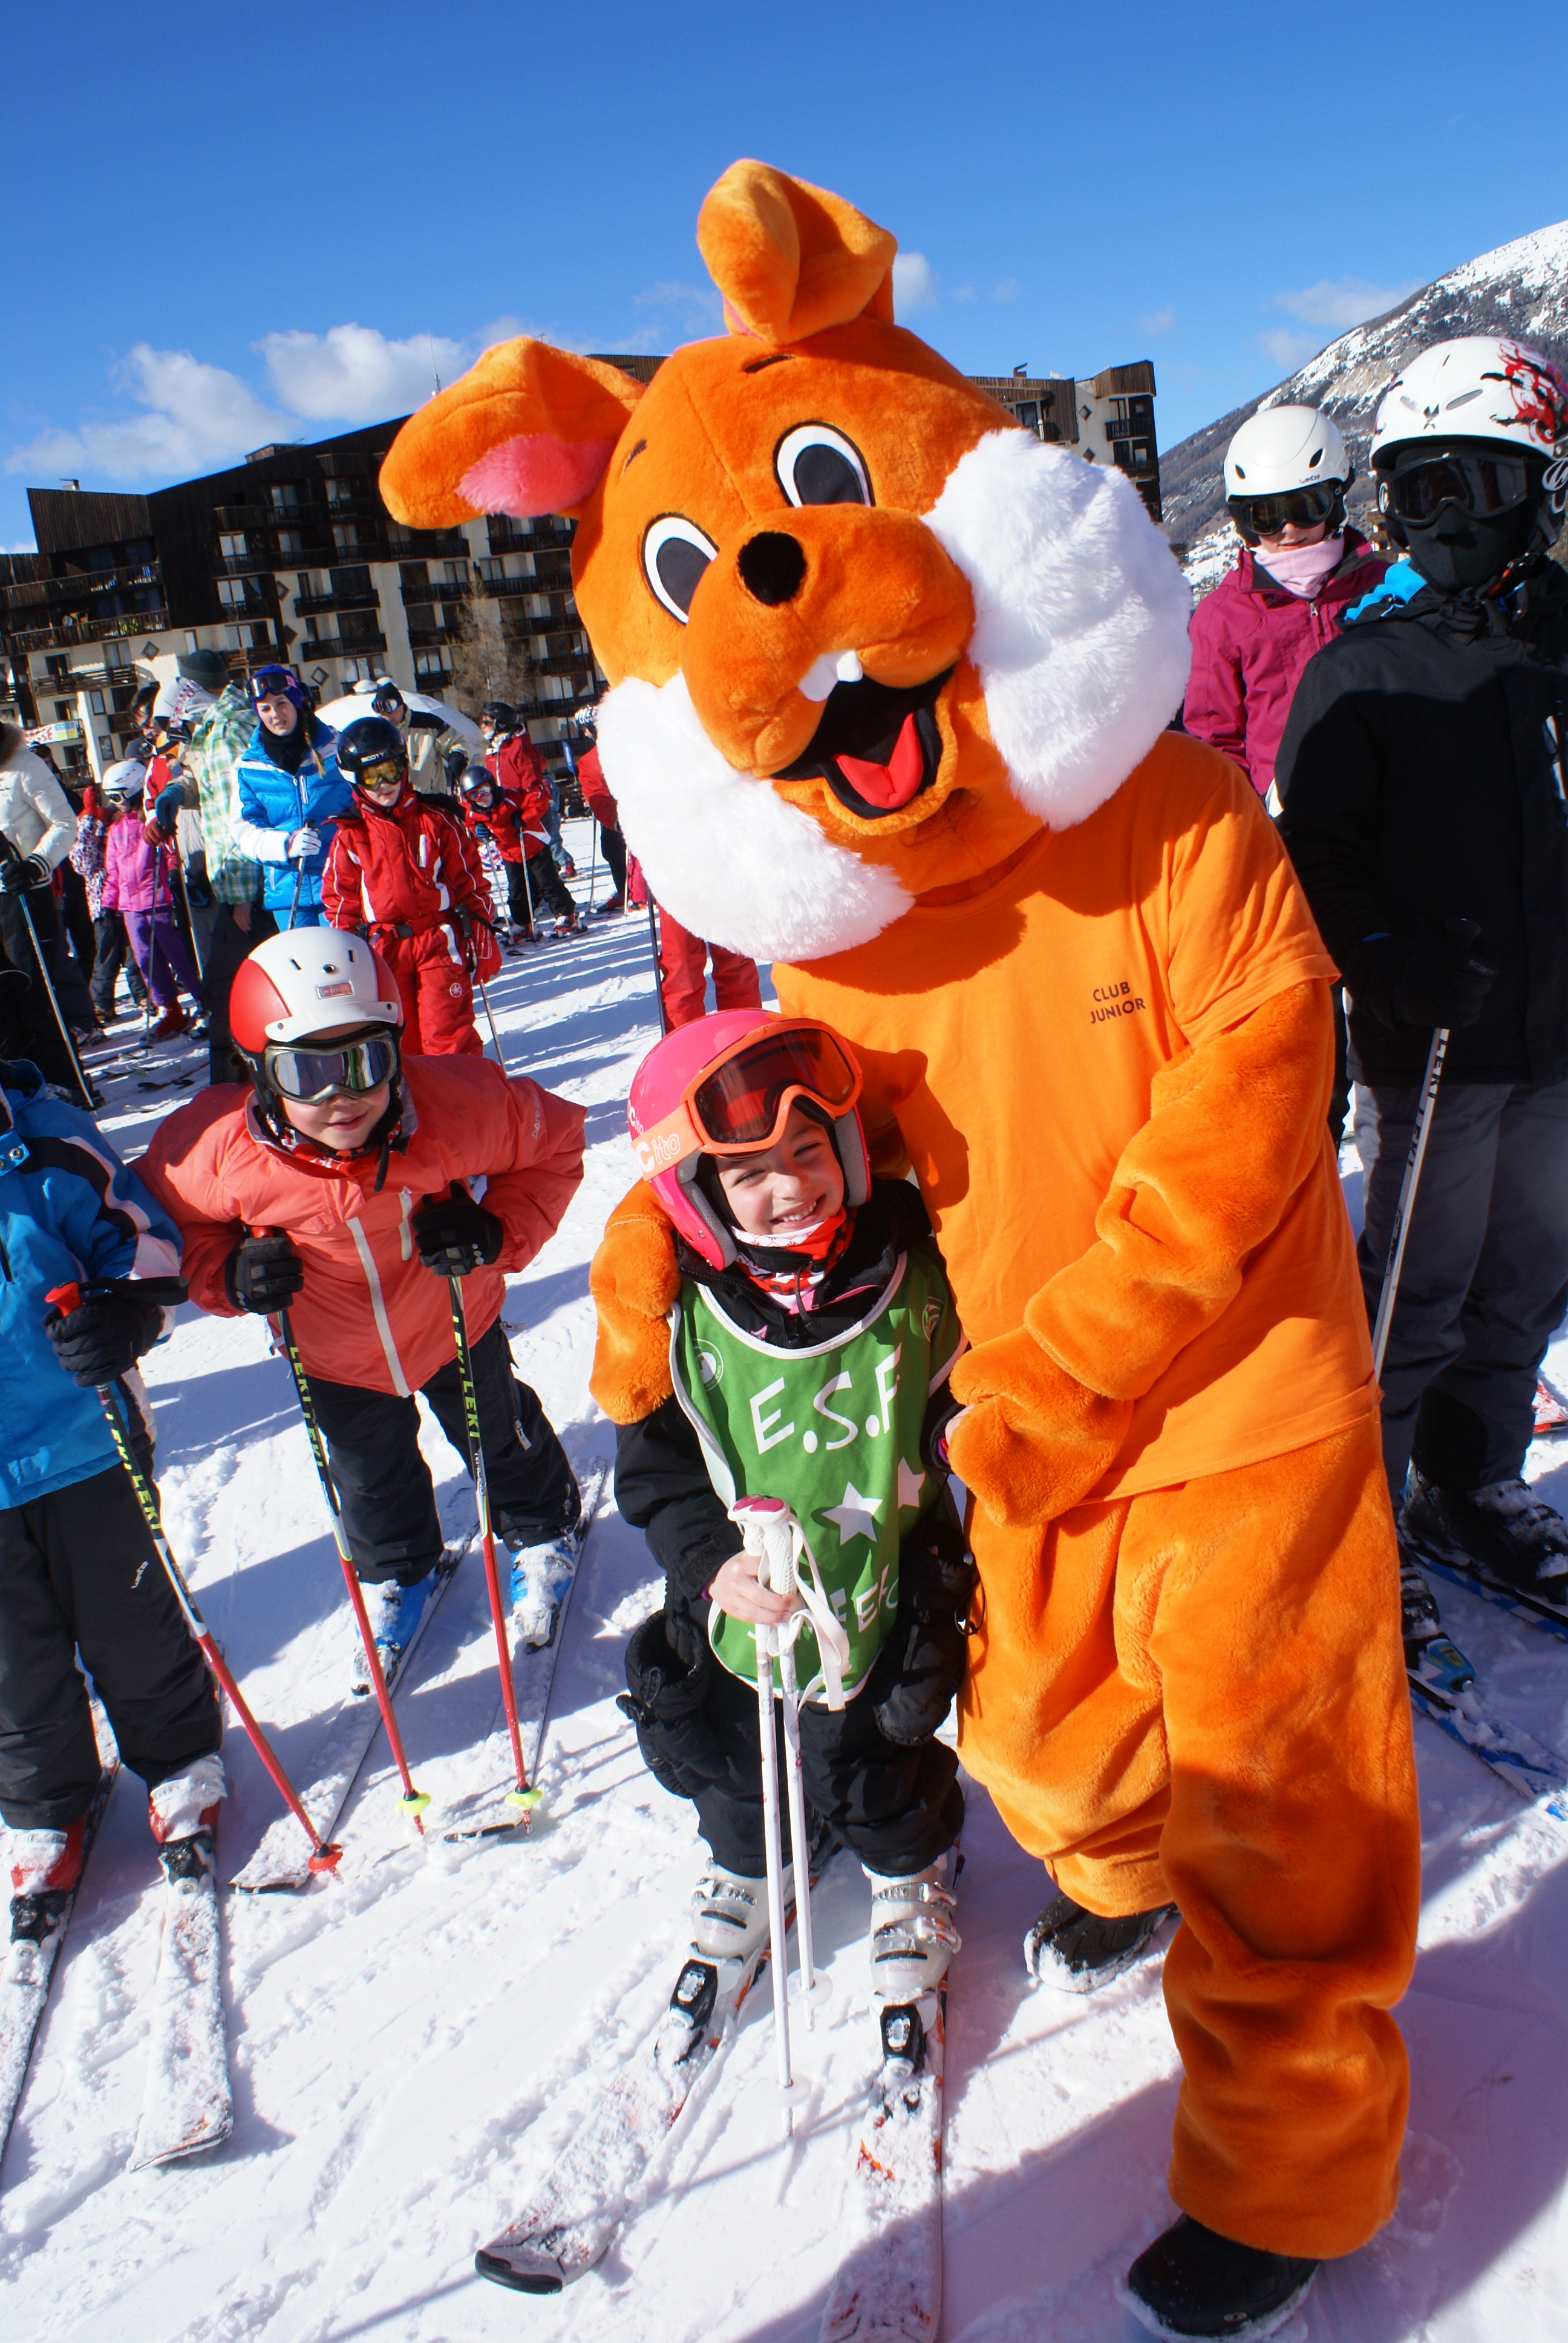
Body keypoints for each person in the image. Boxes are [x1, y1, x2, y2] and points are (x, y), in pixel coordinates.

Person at [1277, 333, 1568, 1650]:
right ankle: (1367, 1510)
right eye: (1415, 493)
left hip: (1555, 1032)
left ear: (1533, 491)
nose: (1441, 522)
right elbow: (1316, 856)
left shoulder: (1558, 645)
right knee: (1414, 1285)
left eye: (1474, 487)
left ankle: (1473, 1474)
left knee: (1525, 1275)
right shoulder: (1366, 666)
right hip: (1434, 1038)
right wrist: (1389, 962)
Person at [596, 1012, 971, 1993]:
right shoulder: (693, 1319)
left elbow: (960, 1396)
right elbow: (654, 1468)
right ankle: (748, 1864)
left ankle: (905, 1867)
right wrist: (707, 1559)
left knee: (883, 1747)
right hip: (744, 1598)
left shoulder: (909, 1272)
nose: (790, 1185)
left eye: (809, 1150)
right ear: (701, 1201)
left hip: (878, 1572)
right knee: (734, 1760)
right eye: (750, 1175)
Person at [139, 927, 589, 1674]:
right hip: (333, 1350)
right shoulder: (218, 1148)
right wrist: (228, 1271)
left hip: (452, 1316)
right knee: (368, 1473)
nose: (340, 1096)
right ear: (259, 1071)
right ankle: (401, 1568)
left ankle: (542, 1525)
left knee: (497, 1431)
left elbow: (558, 1142)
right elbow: (159, 1224)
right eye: (306, 1071)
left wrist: (494, 1229)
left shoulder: (455, 1106)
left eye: (366, 1061)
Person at [1, 1058, 225, 1907]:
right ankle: (42, 1804)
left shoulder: (49, 1145)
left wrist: (124, 1312)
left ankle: (178, 1757)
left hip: (85, 1442)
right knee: (10, 1658)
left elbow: (145, 1243)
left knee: (128, 1615)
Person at [1184, 407, 1387, 811]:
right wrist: (1248, 821)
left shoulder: (1382, 586)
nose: (1289, 528)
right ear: (1244, 522)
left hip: (1388, 804)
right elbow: (1214, 741)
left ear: (1334, 503)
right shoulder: (1223, 618)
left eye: (1305, 506)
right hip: (1287, 821)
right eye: (1267, 516)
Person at [322, 716, 501, 1055]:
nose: (384, 784)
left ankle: (462, 1103)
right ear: (355, 780)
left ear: (404, 765)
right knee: (401, 1043)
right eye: (371, 777)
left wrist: (481, 929)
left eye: (390, 770)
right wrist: (342, 958)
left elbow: (470, 881)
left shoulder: (436, 820)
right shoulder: (351, 836)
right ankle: (414, 1105)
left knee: (448, 1036)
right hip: (385, 949)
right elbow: (340, 903)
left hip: (438, 941)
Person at [176, 650, 275, 1084]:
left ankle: (237, 1091)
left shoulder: (234, 728)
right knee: (226, 988)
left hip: (248, 885)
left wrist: (246, 895)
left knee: (228, 990)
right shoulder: (213, 727)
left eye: (182, 684)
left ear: (195, 685)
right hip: (231, 883)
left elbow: (250, 807)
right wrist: (180, 794)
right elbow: (213, 789)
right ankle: (241, 1085)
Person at [0, 721, 85, 1093]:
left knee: (37, 994)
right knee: (4, 1000)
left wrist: (37, 863)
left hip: (25, 895)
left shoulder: (23, 764)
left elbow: (65, 823)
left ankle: (68, 1086)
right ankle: (22, 1089)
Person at [232, 667, 350, 931]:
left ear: (296, 702)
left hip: (341, 885)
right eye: (265, 708)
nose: (275, 715)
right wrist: (286, 844)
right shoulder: (249, 768)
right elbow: (244, 832)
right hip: (288, 892)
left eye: (281, 704)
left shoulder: (337, 749)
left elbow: (365, 805)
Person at [99, 760, 203, 1041]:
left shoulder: (151, 820)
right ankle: (170, 1010)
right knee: (147, 960)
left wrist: (171, 874)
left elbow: (170, 852)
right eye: (111, 799)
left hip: (158, 901)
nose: (116, 804)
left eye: (119, 797)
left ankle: (204, 1000)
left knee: (179, 956)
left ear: (133, 791)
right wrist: (108, 905)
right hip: (131, 907)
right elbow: (113, 871)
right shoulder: (117, 830)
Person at [480, 701, 578, 934]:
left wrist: (526, 817)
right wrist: (486, 820)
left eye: (486, 722)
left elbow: (534, 789)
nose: (482, 727)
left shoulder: (519, 748)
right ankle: (523, 921)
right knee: (516, 881)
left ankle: (566, 914)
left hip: (527, 825)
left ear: (500, 723)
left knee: (543, 874)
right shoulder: (493, 753)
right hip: (506, 826)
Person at [653, 904, 764, 1032]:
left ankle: (745, 1037)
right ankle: (687, 1045)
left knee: (735, 959)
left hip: (724, 888)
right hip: (673, 889)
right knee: (681, 973)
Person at [574, 720, 628, 914]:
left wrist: (612, 819)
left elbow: (596, 791)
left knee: (615, 850)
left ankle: (628, 891)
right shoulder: (626, 746)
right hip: (624, 811)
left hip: (618, 814)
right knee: (616, 850)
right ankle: (631, 890)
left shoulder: (591, 761)